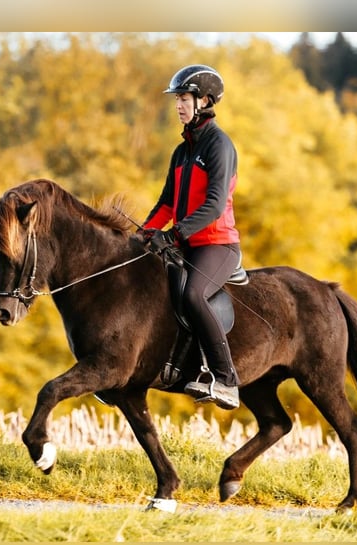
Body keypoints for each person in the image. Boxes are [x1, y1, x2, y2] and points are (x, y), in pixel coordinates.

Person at [139, 64, 242, 410]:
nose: (179, 106)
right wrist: (143, 235)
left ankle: (226, 380)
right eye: (177, 100)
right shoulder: (181, 151)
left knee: (194, 294)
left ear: (204, 101)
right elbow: (167, 203)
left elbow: (214, 206)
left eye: (184, 98)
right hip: (185, 244)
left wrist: (174, 234)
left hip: (218, 245)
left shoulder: (219, 145)